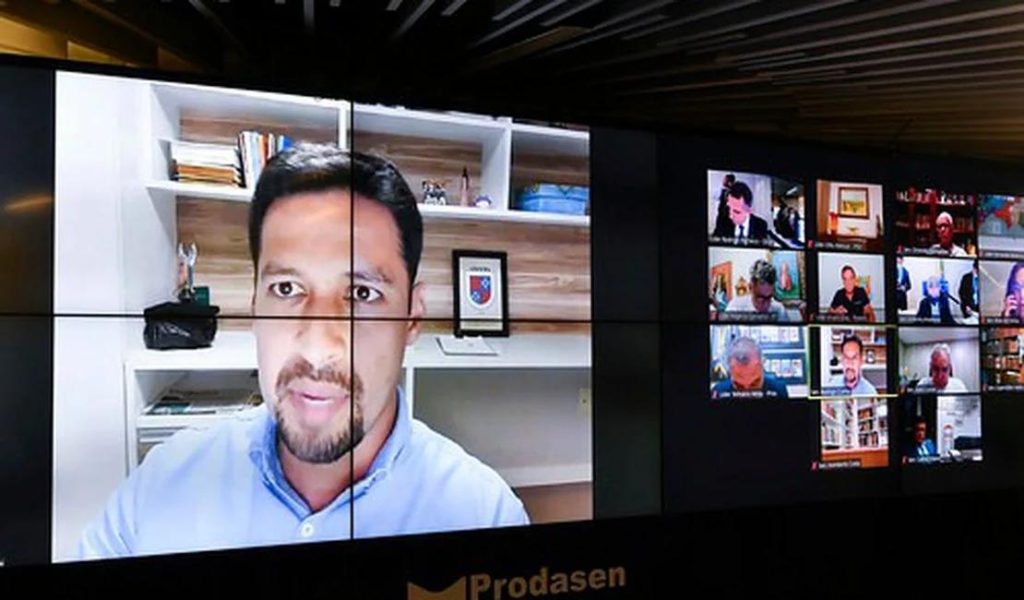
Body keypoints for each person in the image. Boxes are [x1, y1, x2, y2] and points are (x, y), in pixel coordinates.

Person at [79, 146, 527, 559]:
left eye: (362, 294)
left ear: (412, 318)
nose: (317, 345)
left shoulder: (484, 514)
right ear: (255, 306)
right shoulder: (159, 487)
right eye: (286, 289)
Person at [711, 336, 789, 399]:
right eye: (739, 386)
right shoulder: (718, 392)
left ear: (762, 364)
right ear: (729, 370)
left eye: (754, 384)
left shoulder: (779, 390)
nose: (747, 394)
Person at [724, 258, 792, 321]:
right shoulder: (735, 308)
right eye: (760, 299)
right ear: (750, 287)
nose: (766, 305)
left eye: (769, 298)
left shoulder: (780, 311)